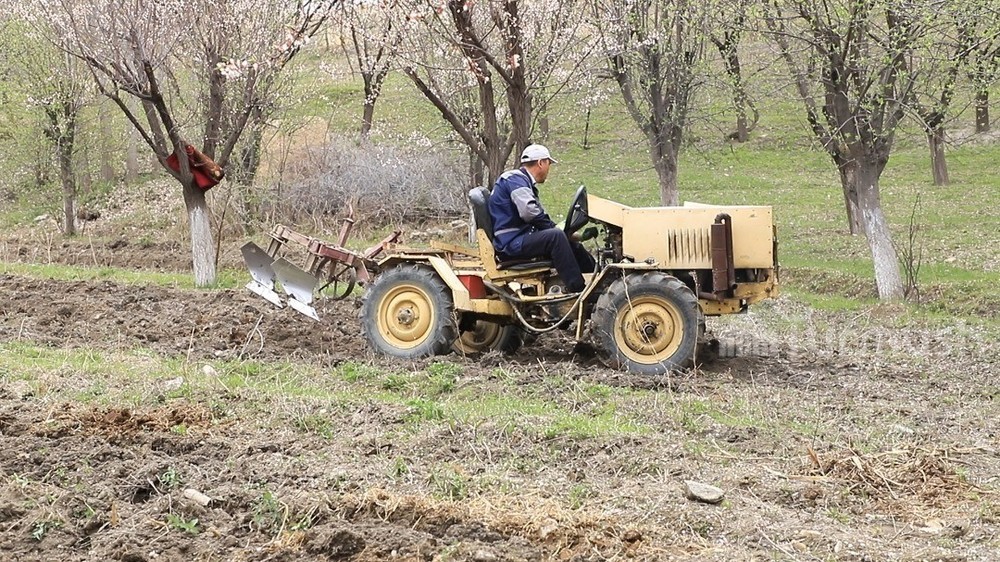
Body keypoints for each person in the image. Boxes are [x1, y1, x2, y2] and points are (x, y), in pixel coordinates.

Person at [487, 144, 596, 293]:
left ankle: (596, 279)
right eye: (548, 163)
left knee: (564, 239)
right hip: (511, 243)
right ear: (541, 163)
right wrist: (555, 229)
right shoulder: (515, 180)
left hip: (518, 238)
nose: (548, 169)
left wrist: (575, 236)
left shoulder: (520, 181)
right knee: (556, 237)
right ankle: (579, 290)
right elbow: (529, 212)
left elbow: (536, 217)